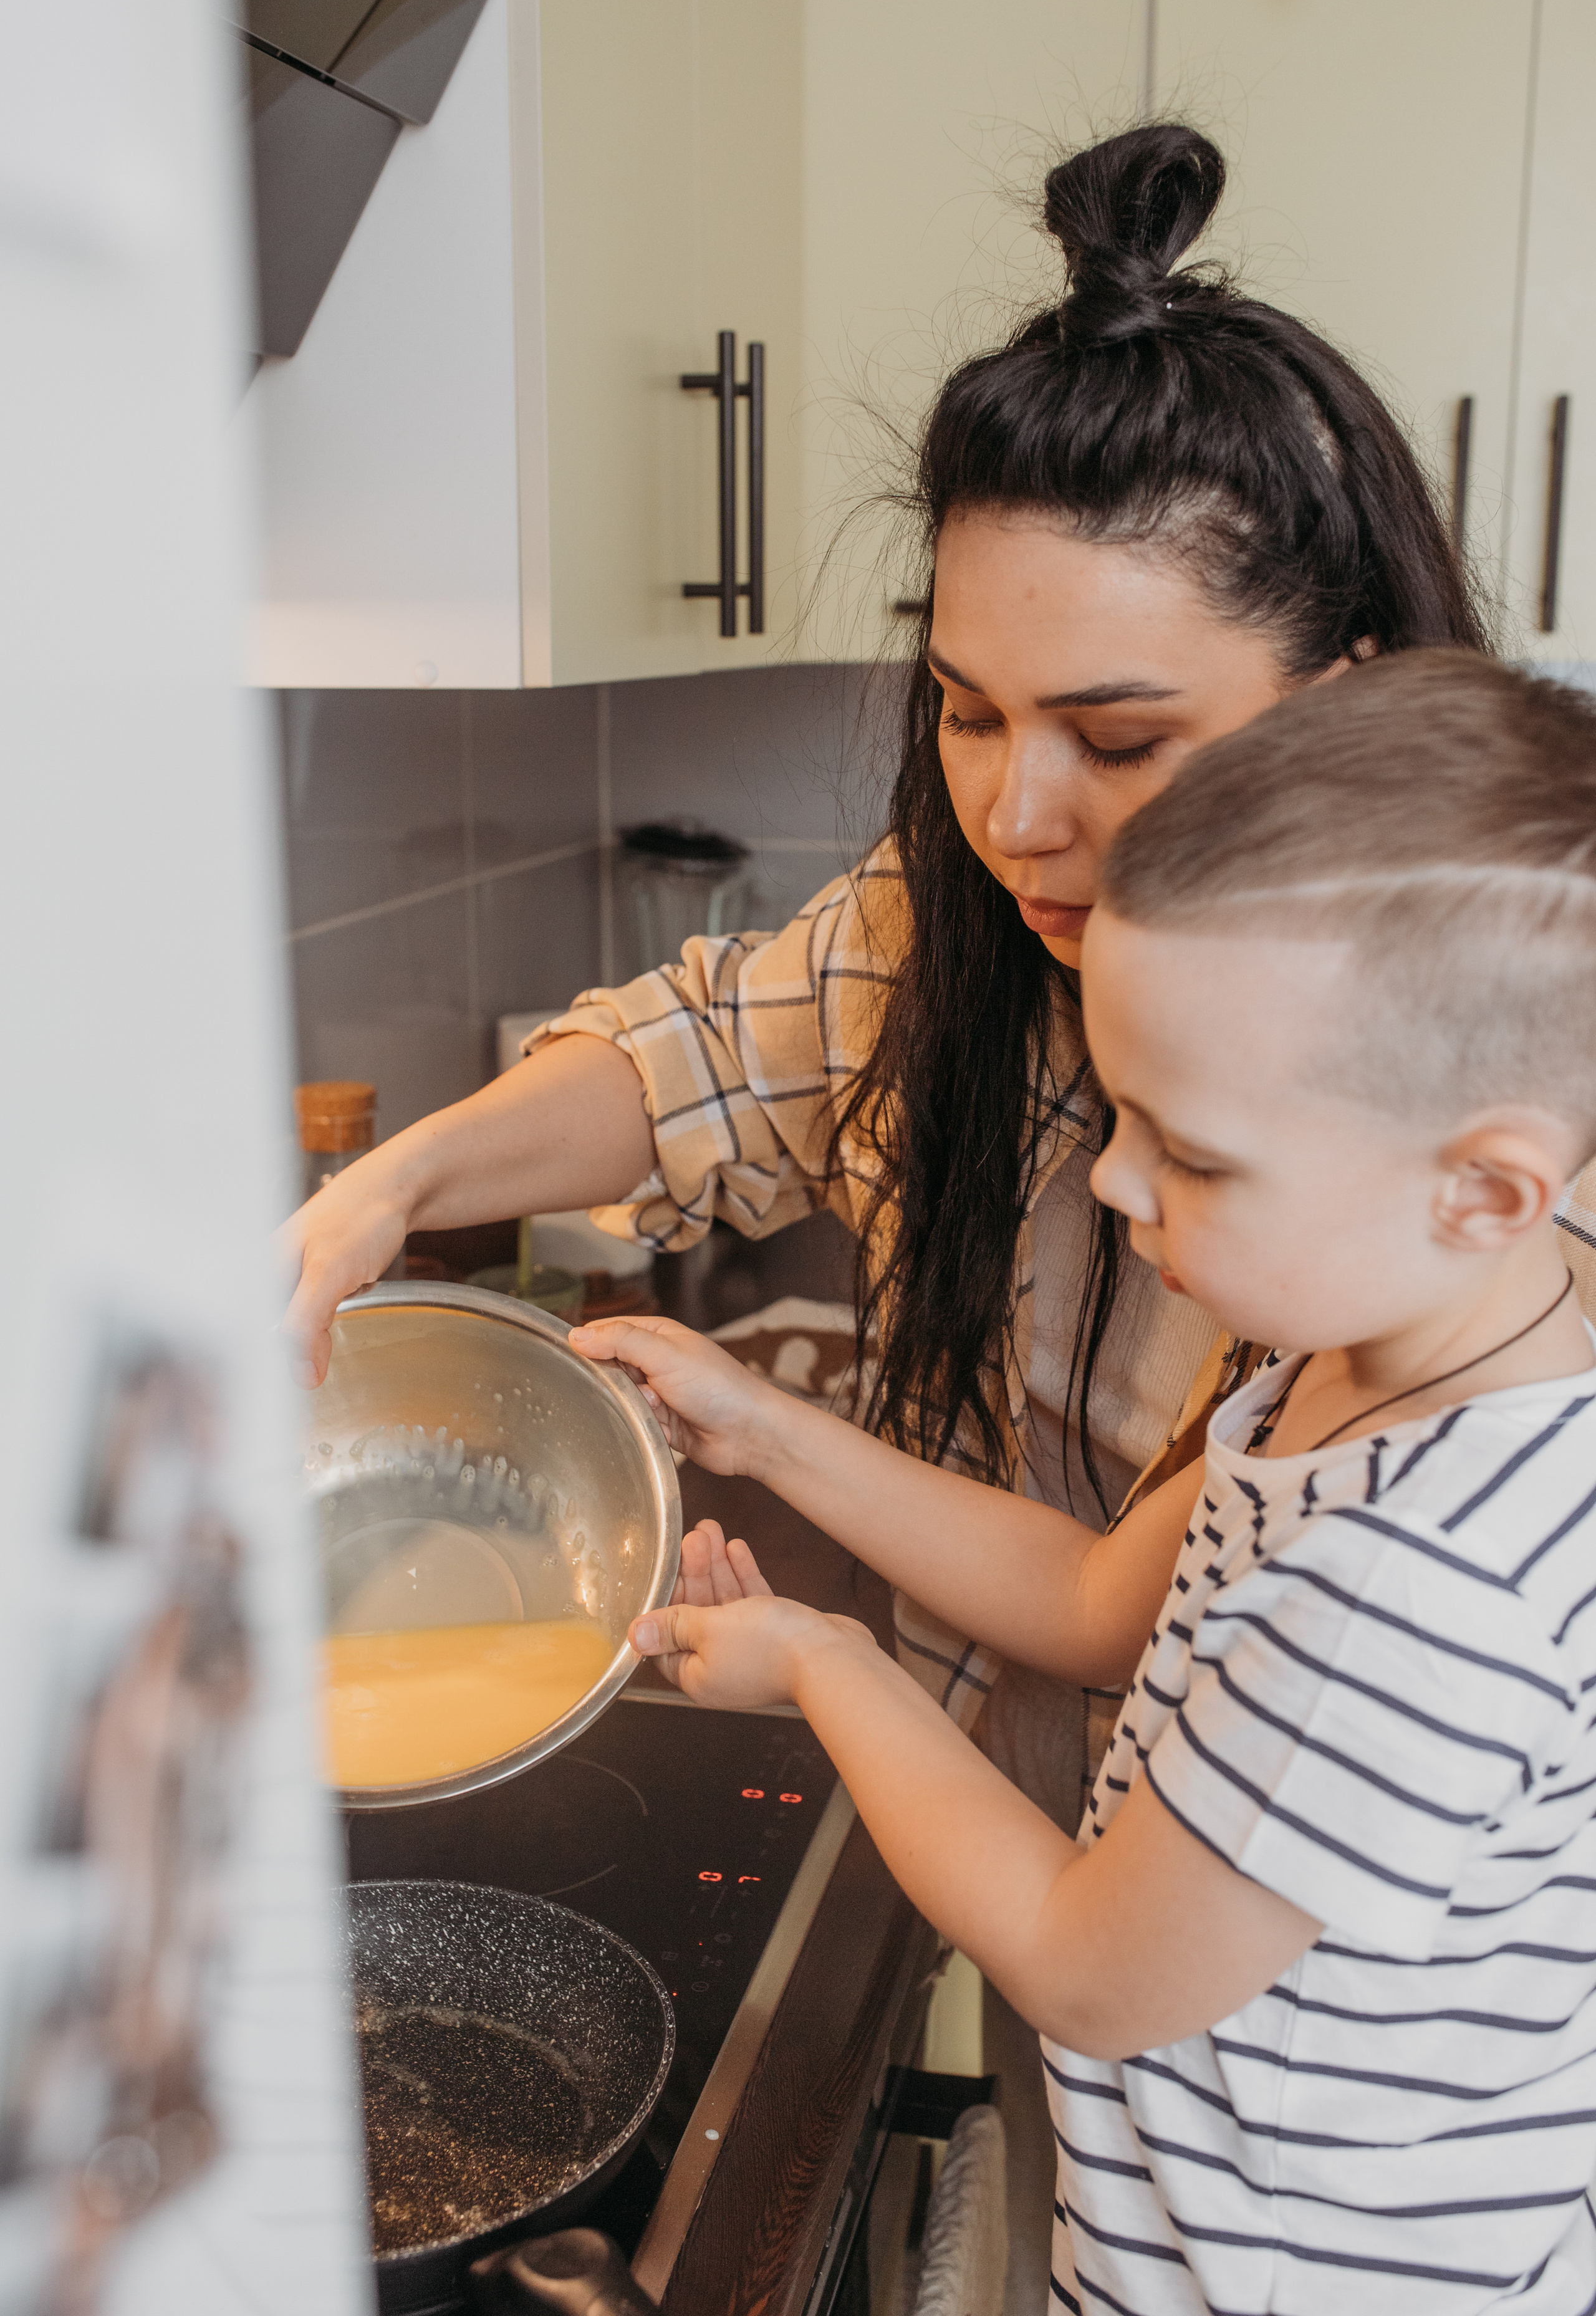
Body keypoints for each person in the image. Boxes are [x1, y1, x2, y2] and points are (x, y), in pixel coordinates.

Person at [280, 120, 1596, 1830]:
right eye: (967, 712)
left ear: (1348, 702)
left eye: (1119, 738)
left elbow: (1143, 1797)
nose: (1014, 815)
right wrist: (385, 1195)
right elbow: (695, 1065)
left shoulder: (1496, 1147)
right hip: (1018, 1835)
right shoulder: (952, 932)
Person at [573, 651, 1596, 2314]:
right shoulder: (1368, 1369)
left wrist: (827, 1665)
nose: (1117, 1179)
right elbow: (1095, 1602)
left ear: (1483, 1189)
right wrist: (761, 1424)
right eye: (1125, 1112)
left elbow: (1085, 1964)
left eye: (1192, 1152)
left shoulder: (1413, 1589)